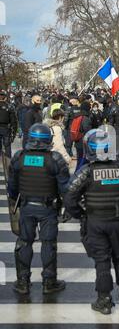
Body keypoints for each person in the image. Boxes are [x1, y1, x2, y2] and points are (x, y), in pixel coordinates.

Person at [64, 128, 119, 314]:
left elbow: (69, 197)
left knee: (102, 261)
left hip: (95, 221)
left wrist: (81, 214)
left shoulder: (86, 172)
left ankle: (104, 299)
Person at [8, 123, 70, 295]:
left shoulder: (19, 157)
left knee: (24, 242)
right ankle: (49, 282)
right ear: (48, 140)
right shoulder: (55, 159)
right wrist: (68, 208)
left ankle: (23, 282)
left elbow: (12, 186)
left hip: (26, 207)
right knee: (48, 244)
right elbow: (65, 188)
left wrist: (15, 200)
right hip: (48, 208)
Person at [0, 90, 17, 158]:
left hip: (6, 128)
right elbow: (14, 120)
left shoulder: (9, 106)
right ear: (5, 97)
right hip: (6, 129)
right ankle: (8, 163)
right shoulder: (9, 106)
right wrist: (14, 133)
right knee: (7, 146)